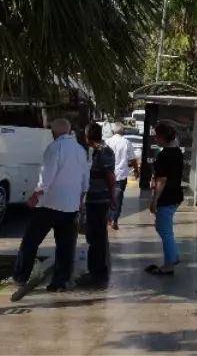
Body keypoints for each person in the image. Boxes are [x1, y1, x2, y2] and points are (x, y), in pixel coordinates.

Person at [4, 118, 88, 292]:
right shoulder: (80, 150)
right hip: (71, 205)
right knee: (66, 246)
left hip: (50, 204)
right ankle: (60, 282)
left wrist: (36, 194)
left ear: (54, 132)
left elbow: (46, 176)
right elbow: (85, 179)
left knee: (31, 241)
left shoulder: (54, 148)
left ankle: (20, 277)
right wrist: (80, 200)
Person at [77, 123, 117, 288]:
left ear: (87, 138)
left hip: (99, 200)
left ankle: (97, 272)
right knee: (96, 236)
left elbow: (110, 177)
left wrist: (112, 198)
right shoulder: (98, 152)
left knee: (95, 237)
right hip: (95, 199)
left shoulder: (103, 152)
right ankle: (98, 270)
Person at [147, 122, 183, 276]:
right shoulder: (177, 152)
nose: (155, 138)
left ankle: (170, 262)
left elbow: (162, 180)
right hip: (176, 195)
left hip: (166, 197)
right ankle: (172, 256)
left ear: (162, 137)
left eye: (157, 135)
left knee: (165, 230)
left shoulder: (164, 155)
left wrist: (154, 200)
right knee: (161, 227)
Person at [104, 123, 139, 231]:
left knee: (108, 197)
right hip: (121, 175)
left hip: (108, 174)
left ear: (113, 132)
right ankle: (115, 219)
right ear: (122, 132)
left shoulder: (107, 142)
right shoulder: (126, 142)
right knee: (118, 197)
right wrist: (136, 170)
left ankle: (109, 218)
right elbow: (133, 159)